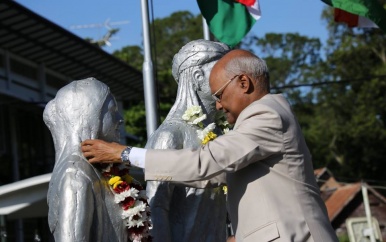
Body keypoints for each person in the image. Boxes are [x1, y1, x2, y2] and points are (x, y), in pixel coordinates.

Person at [82, 50, 339, 242]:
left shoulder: (265, 115)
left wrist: (123, 153)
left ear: (243, 83)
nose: (217, 104)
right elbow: (214, 174)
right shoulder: (173, 133)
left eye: (219, 95)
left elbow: (206, 163)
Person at [143, 39, 230, 242]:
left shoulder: (221, 134)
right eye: (223, 72)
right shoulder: (171, 135)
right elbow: (156, 207)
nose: (231, 79)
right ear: (198, 77)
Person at [44, 78, 128, 242]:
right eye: (112, 110)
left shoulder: (100, 169)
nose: (120, 119)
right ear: (90, 115)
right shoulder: (75, 173)